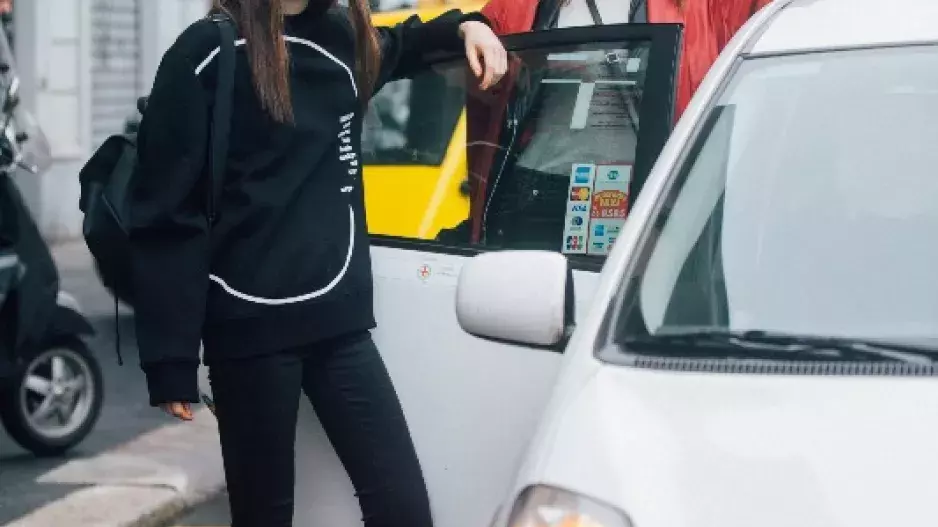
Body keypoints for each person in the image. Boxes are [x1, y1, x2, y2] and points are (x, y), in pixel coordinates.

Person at [128, 0, 506, 526]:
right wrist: (169, 359)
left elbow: (408, 44)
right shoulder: (207, 50)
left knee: (402, 509)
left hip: (340, 326)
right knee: (264, 518)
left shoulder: (343, 36)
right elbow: (164, 211)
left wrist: (469, 26)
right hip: (249, 332)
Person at [450, 0, 773, 246]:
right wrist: (469, 26)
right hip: (537, 190)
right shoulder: (524, 5)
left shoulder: (705, 7)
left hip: (649, 197)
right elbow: (452, 45)